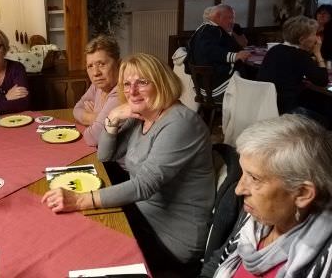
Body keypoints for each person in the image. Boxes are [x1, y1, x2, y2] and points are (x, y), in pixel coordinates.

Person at [43, 53, 215, 276]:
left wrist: (80, 200)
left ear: (162, 82)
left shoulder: (180, 123)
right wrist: (113, 118)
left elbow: (144, 185)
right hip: (140, 213)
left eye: (142, 82)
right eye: (127, 84)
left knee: (81, 249)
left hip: (170, 236)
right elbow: (105, 155)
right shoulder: (142, 114)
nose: (132, 91)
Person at [201, 114, 332, 278]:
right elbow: (217, 262)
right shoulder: (255, 216)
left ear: (303, 193)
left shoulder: (324, 261)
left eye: (254, 178)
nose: (239, 190)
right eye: (243, 173)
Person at [257, 15, 328, 118]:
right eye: (314, 34)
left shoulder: (275, 49)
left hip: (266, 105)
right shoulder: (300, 55)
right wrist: (318, 54)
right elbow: (322, 81)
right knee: (324, 119)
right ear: (302, 39)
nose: (317, 38)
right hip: (286, 110)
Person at [187, 4, 251, 99]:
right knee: (255, 87)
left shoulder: (209, 29)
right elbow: (210, 51)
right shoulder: (208, 31)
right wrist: (235, 56)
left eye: (233, 18)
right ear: (217, 16)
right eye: (229, 18)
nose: (232, 21)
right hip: (215, 87)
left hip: (208, 85)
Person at [73, 36, 120, 147]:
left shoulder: (122, 91)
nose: (95, 73)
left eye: (101, 64)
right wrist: (96, 118)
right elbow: (76, 110)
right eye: (90, 66)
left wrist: (88, 117)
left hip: (113, 161)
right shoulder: (97, 86)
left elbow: (92, 137)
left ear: (118, 64)